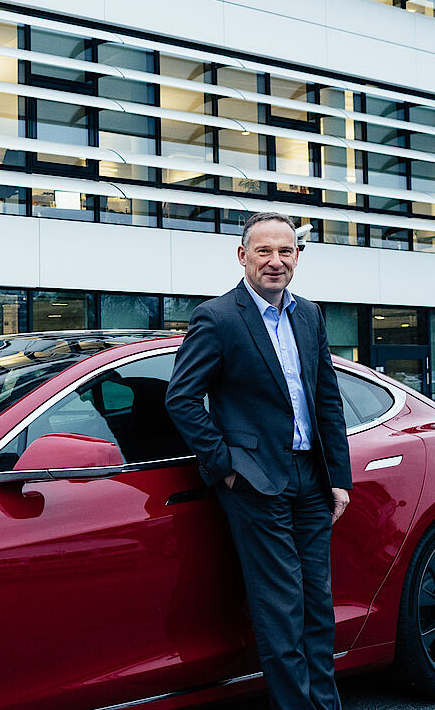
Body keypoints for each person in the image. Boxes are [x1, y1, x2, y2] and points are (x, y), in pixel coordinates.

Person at [165, 212, 352, 710]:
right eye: (264, 251)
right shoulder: (218, 317)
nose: (276, 261)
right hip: (254, 482)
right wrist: (226, 464)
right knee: (282, 612)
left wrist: (339, 478)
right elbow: (182, 398)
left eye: (286, 251)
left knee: (319, 609)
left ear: (298, 256)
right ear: (242, 256)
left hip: (311, 478)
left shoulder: (309, 314)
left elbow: (326, 399)